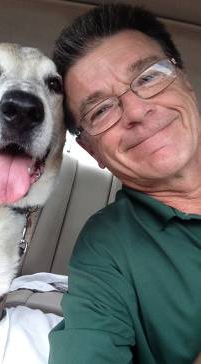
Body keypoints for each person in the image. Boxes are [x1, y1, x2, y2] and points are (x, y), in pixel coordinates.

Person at [48, 3, 201, 364]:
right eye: (100, 110)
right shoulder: (103, 252)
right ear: (90, 149)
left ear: (187, 84)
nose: (135, 112)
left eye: (148, 77)